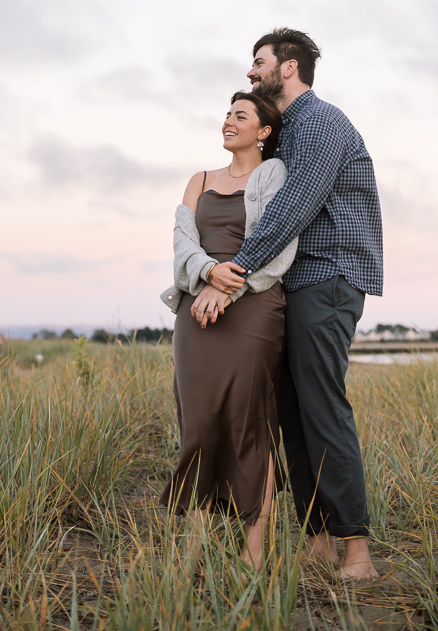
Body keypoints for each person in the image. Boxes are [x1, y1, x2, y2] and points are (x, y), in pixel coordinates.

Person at [201, 29, 383, 582]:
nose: (251, 72)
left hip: (328, 279)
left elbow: (294, 208)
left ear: (289, 67)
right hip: (290, 287)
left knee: (322, 407)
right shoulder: (283, 133)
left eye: (259, 62)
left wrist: (231, 274)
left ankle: (357, 552)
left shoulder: (322, 123)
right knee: (290, 415)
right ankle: (320, 540)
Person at [159, 90, 298, 567]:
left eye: (241, 116)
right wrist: (207, 273)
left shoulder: (273, 175)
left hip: (253, 308)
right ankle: (195, 545)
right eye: (226, 114)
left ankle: (254, 552)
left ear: (263, 132)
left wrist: (229, 283)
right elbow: (181, 242)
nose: (228, 121)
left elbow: (276, 245)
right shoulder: (198, 179)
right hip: (196, 310)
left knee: (248, 423)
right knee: (198, 425)